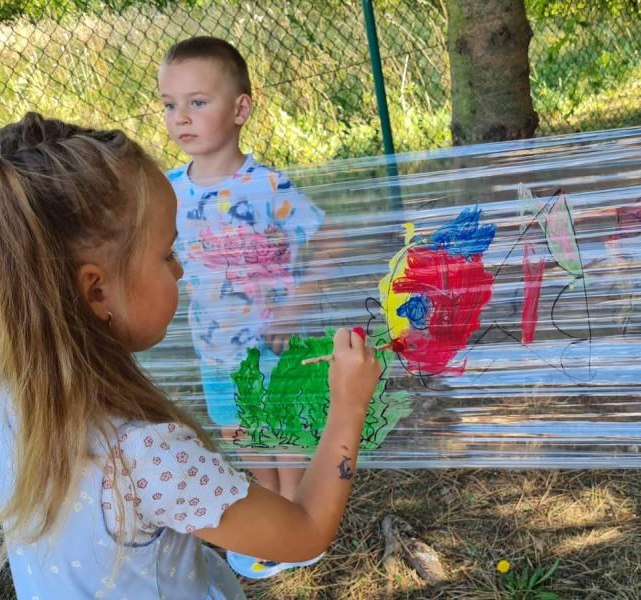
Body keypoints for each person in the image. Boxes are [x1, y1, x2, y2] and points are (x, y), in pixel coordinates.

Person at [0, 112, 381, 598]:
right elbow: (305, 531)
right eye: (166, 254)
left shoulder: (11, 404)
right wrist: (348, 405)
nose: (180, 270)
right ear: (96, 292)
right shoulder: (147, 457)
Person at [157, 36, 329, 577]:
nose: (181, 117)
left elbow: (330, 241)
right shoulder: (167, 192)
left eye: (197, 102)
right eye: (169, 104)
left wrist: (296, 307)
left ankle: (300, 525)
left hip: (277, 346)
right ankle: (273, 511)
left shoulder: (267, 186)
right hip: (217, 349)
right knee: (240, 432)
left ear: (240, 109)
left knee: (285, 432)